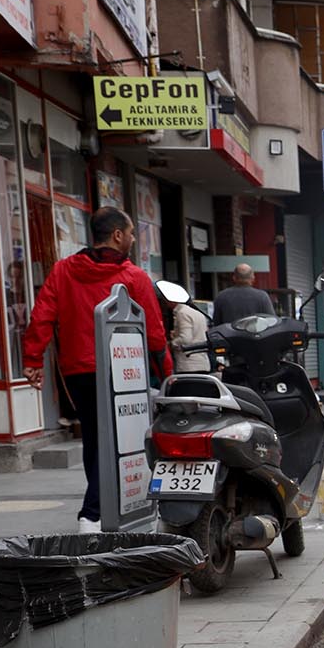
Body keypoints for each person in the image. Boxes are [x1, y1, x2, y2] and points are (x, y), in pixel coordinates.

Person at [23, 206, 168, 532]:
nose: (132, 239)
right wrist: (165, 371)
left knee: (94, 437)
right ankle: (92, 512)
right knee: (125, 439)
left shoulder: (62, 271)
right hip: (124, 372)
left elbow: (42, 315)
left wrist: (33, 360)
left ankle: (100, 509)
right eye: (131, 233)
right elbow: (155, 331)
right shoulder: (133, 277)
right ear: (118, 235)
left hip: (78, 371)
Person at [211, 263, 276, 327]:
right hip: (255, 336)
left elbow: (217, 323)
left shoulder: (221, 296)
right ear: (253, 278)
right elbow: (271, 321)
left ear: (234, 278)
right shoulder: (262, 297)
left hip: (229, 336)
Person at [165, 284, 210, 373]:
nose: (165, 302)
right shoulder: (197, 313)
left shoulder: (182, 314)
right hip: (202, 362)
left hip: (188, 364)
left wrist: (170, 344)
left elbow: (185, 339)